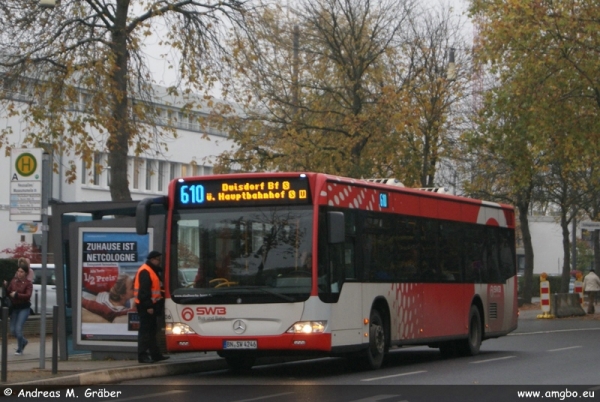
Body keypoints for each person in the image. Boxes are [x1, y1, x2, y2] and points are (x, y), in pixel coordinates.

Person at [134, 251, 169, 363]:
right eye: (158, 260)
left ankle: (155, 354)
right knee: (145, 331)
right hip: (146, 307)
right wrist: (149, 306)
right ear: (153, 259)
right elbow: (144, 291)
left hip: (151, 306)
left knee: (152, 331)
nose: (159, 262)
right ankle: (142, 355)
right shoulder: (146, 271)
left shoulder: (152, 270)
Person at [3, 259, 33, 356]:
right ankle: (24, 341)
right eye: (18, 271)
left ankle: (20, 349)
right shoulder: (13, 281)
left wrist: (17, 295)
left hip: (24, 308)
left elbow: (28, 295)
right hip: (15, 308)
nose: (19, 273)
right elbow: (8, 293)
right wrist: (6, 286)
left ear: (25, 273)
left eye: (21, 272)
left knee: (18, 329)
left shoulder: (28, 283)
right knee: (12, 330)